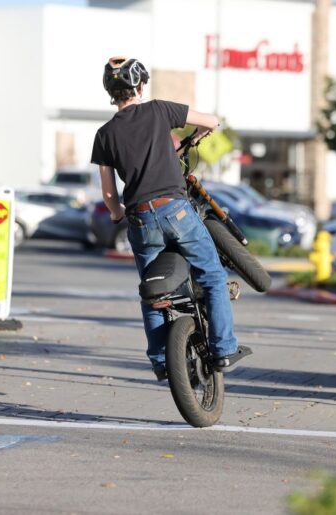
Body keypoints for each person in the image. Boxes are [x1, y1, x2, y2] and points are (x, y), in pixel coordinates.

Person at [91, 56, 251, 381]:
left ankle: (161, 359)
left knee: (152, 292)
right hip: (175, 210)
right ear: (139, 86)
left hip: (139, 220)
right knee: (213, 276)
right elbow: (212, 121)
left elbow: (108, 192)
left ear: (110, 91)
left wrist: (117, 213)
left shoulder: (104, 134)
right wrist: (198, 135)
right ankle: (223, 348)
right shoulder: (159, 110)